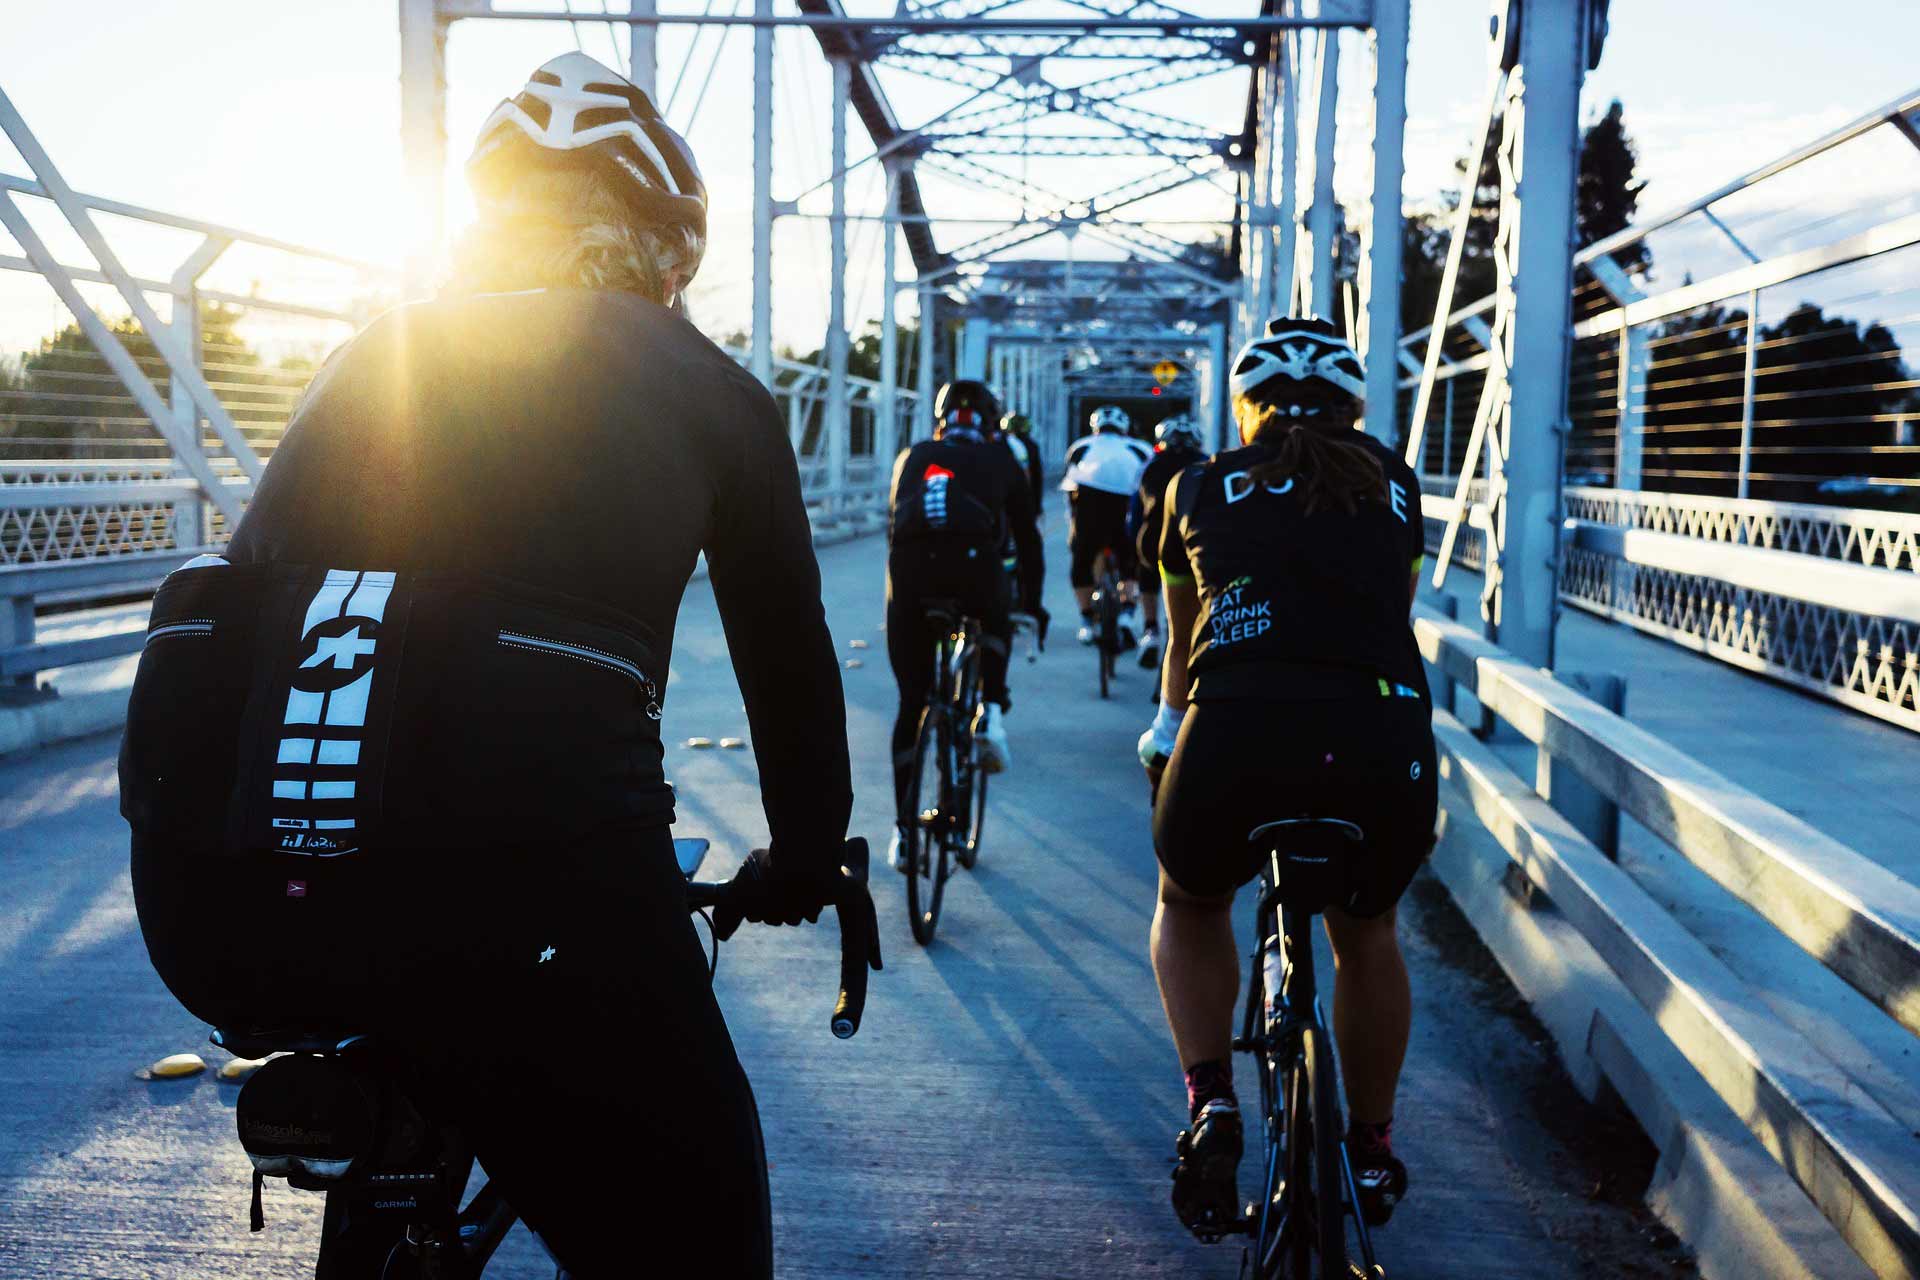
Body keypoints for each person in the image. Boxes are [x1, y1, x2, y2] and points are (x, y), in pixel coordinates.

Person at [118, 53, 863, 1279]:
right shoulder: (712, 391)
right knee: (701, 1229)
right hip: (536, 911)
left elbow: (256, 611)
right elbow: (785, 667)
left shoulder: (374, 354)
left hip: (230, 909)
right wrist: (802, 850)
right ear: (667, 251)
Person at [1137, 317, 1437, 1239]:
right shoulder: (1394, 486)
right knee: (1368, 931)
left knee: (1189, 903)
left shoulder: (1196, 485)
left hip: (1238, 733)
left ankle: (1211, 1100)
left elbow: (1184, 654)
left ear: (1245, 407)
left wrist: (1162, 738)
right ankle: (1374, 1144)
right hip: (1380, 737)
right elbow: (1391, 611)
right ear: (1354, 406)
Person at [885, 380, 1044, 870]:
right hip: (976, 569)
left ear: (941, 422)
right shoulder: (1003, 460)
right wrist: (1033, 606)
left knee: (913, 701)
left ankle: (905, 834)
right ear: (992, 425)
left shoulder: (914, 455)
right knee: (994, 611)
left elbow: (896, 520)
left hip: (910, 576)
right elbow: (1028, 539)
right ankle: (991, 712)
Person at [1060, 404, 1153, 645]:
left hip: (1090, 508)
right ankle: (1128, 611)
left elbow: (1070, 488)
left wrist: (1073, 525)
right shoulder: (1140, 448)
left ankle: (1086, 620)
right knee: (1131, 561)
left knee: (1080, 561)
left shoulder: (1080, 446)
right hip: (1127, 508)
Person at [1129, 413, 1206, 671]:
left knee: (1146, 570)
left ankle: (1150, 629)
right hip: (1196, 544)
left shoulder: (1150, 465)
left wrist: (1132, 543)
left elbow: (1135, 512)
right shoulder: (1208, 464)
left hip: (1155, 545)